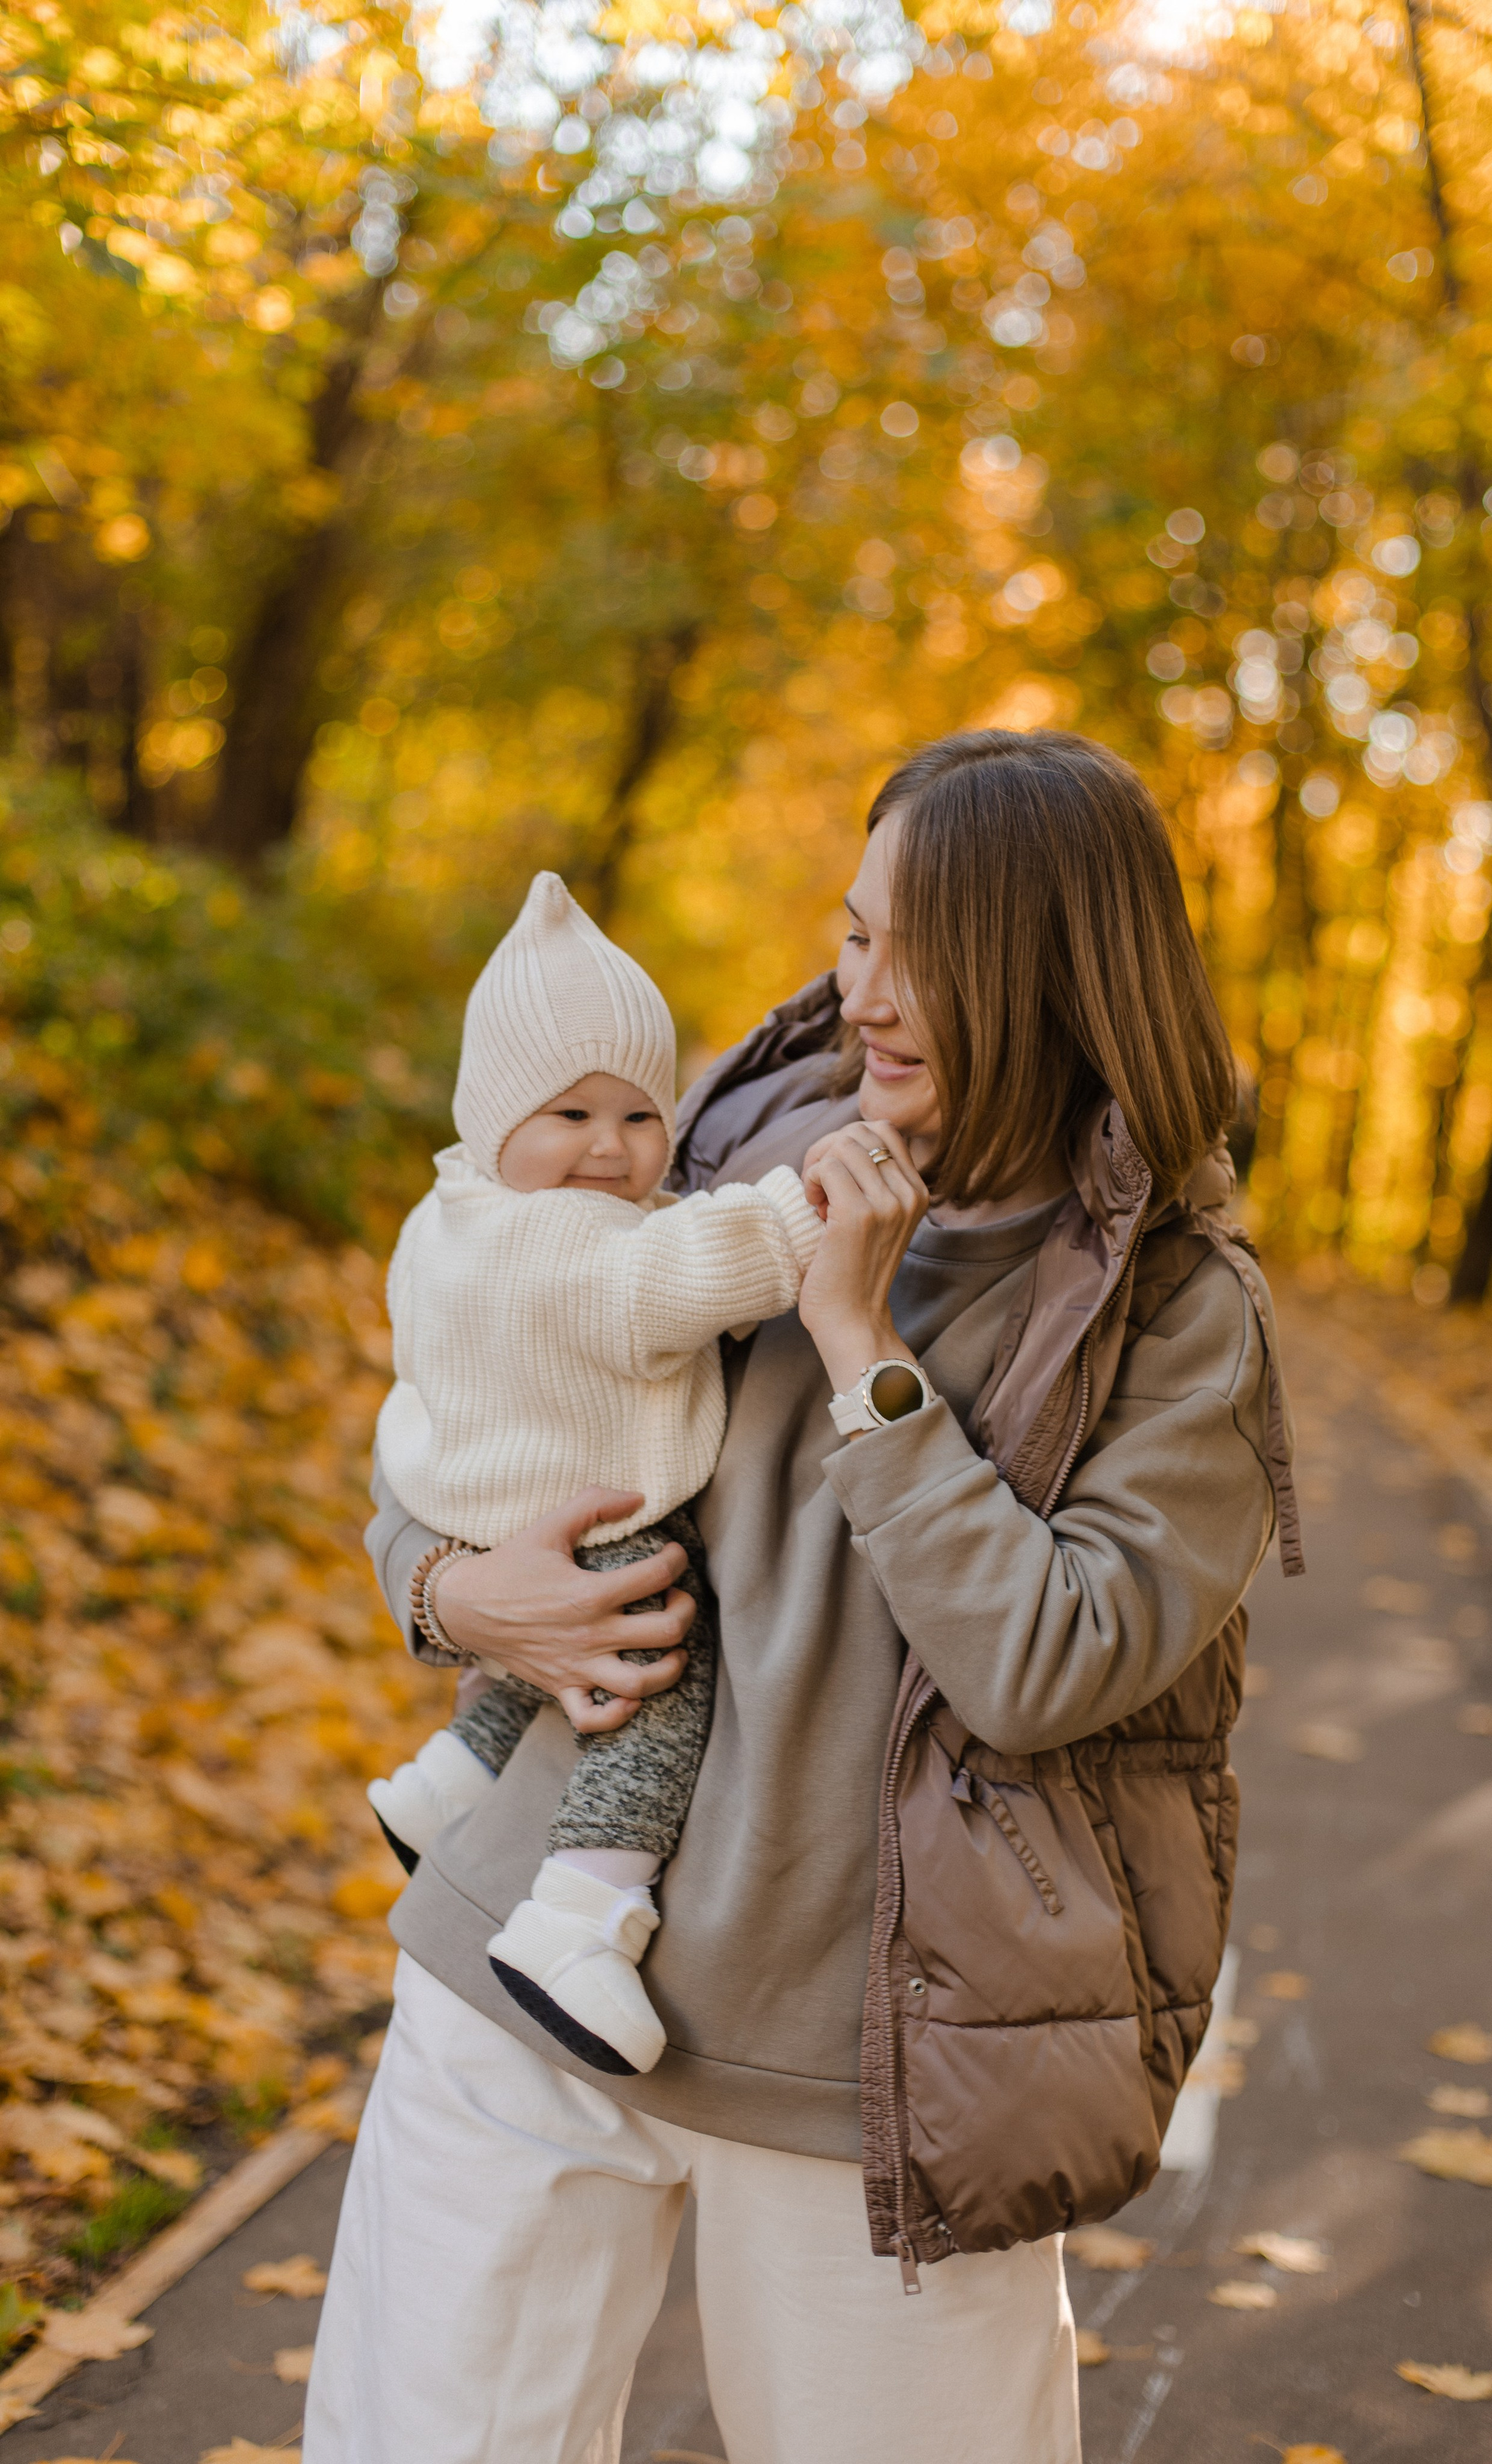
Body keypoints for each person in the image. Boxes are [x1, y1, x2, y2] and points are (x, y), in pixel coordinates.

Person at [307, 730, 1298, 2464]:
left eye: (927, 956)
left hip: (876, 2069)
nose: (870, 998)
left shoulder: (1179, 1311)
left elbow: (1049, 1663)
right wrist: (455, 1597)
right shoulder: (730, 1126)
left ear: (1057, 972)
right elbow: (480, 1371)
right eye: (856, 938)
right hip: (530, 1965)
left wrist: (862, 1344)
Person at [364, 871, 819, 2075]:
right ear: (496, 1113)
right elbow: (701, 1265)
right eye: (570, 1116)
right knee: (654, 1674)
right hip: (592, 1521)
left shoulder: (448, 1214)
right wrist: (818, 1207)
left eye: (640, 1116)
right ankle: (581, 1915)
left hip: (481, 1504)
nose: (612, 1151)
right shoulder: (582, 1254)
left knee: (556, 1656)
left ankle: (449, 1778)